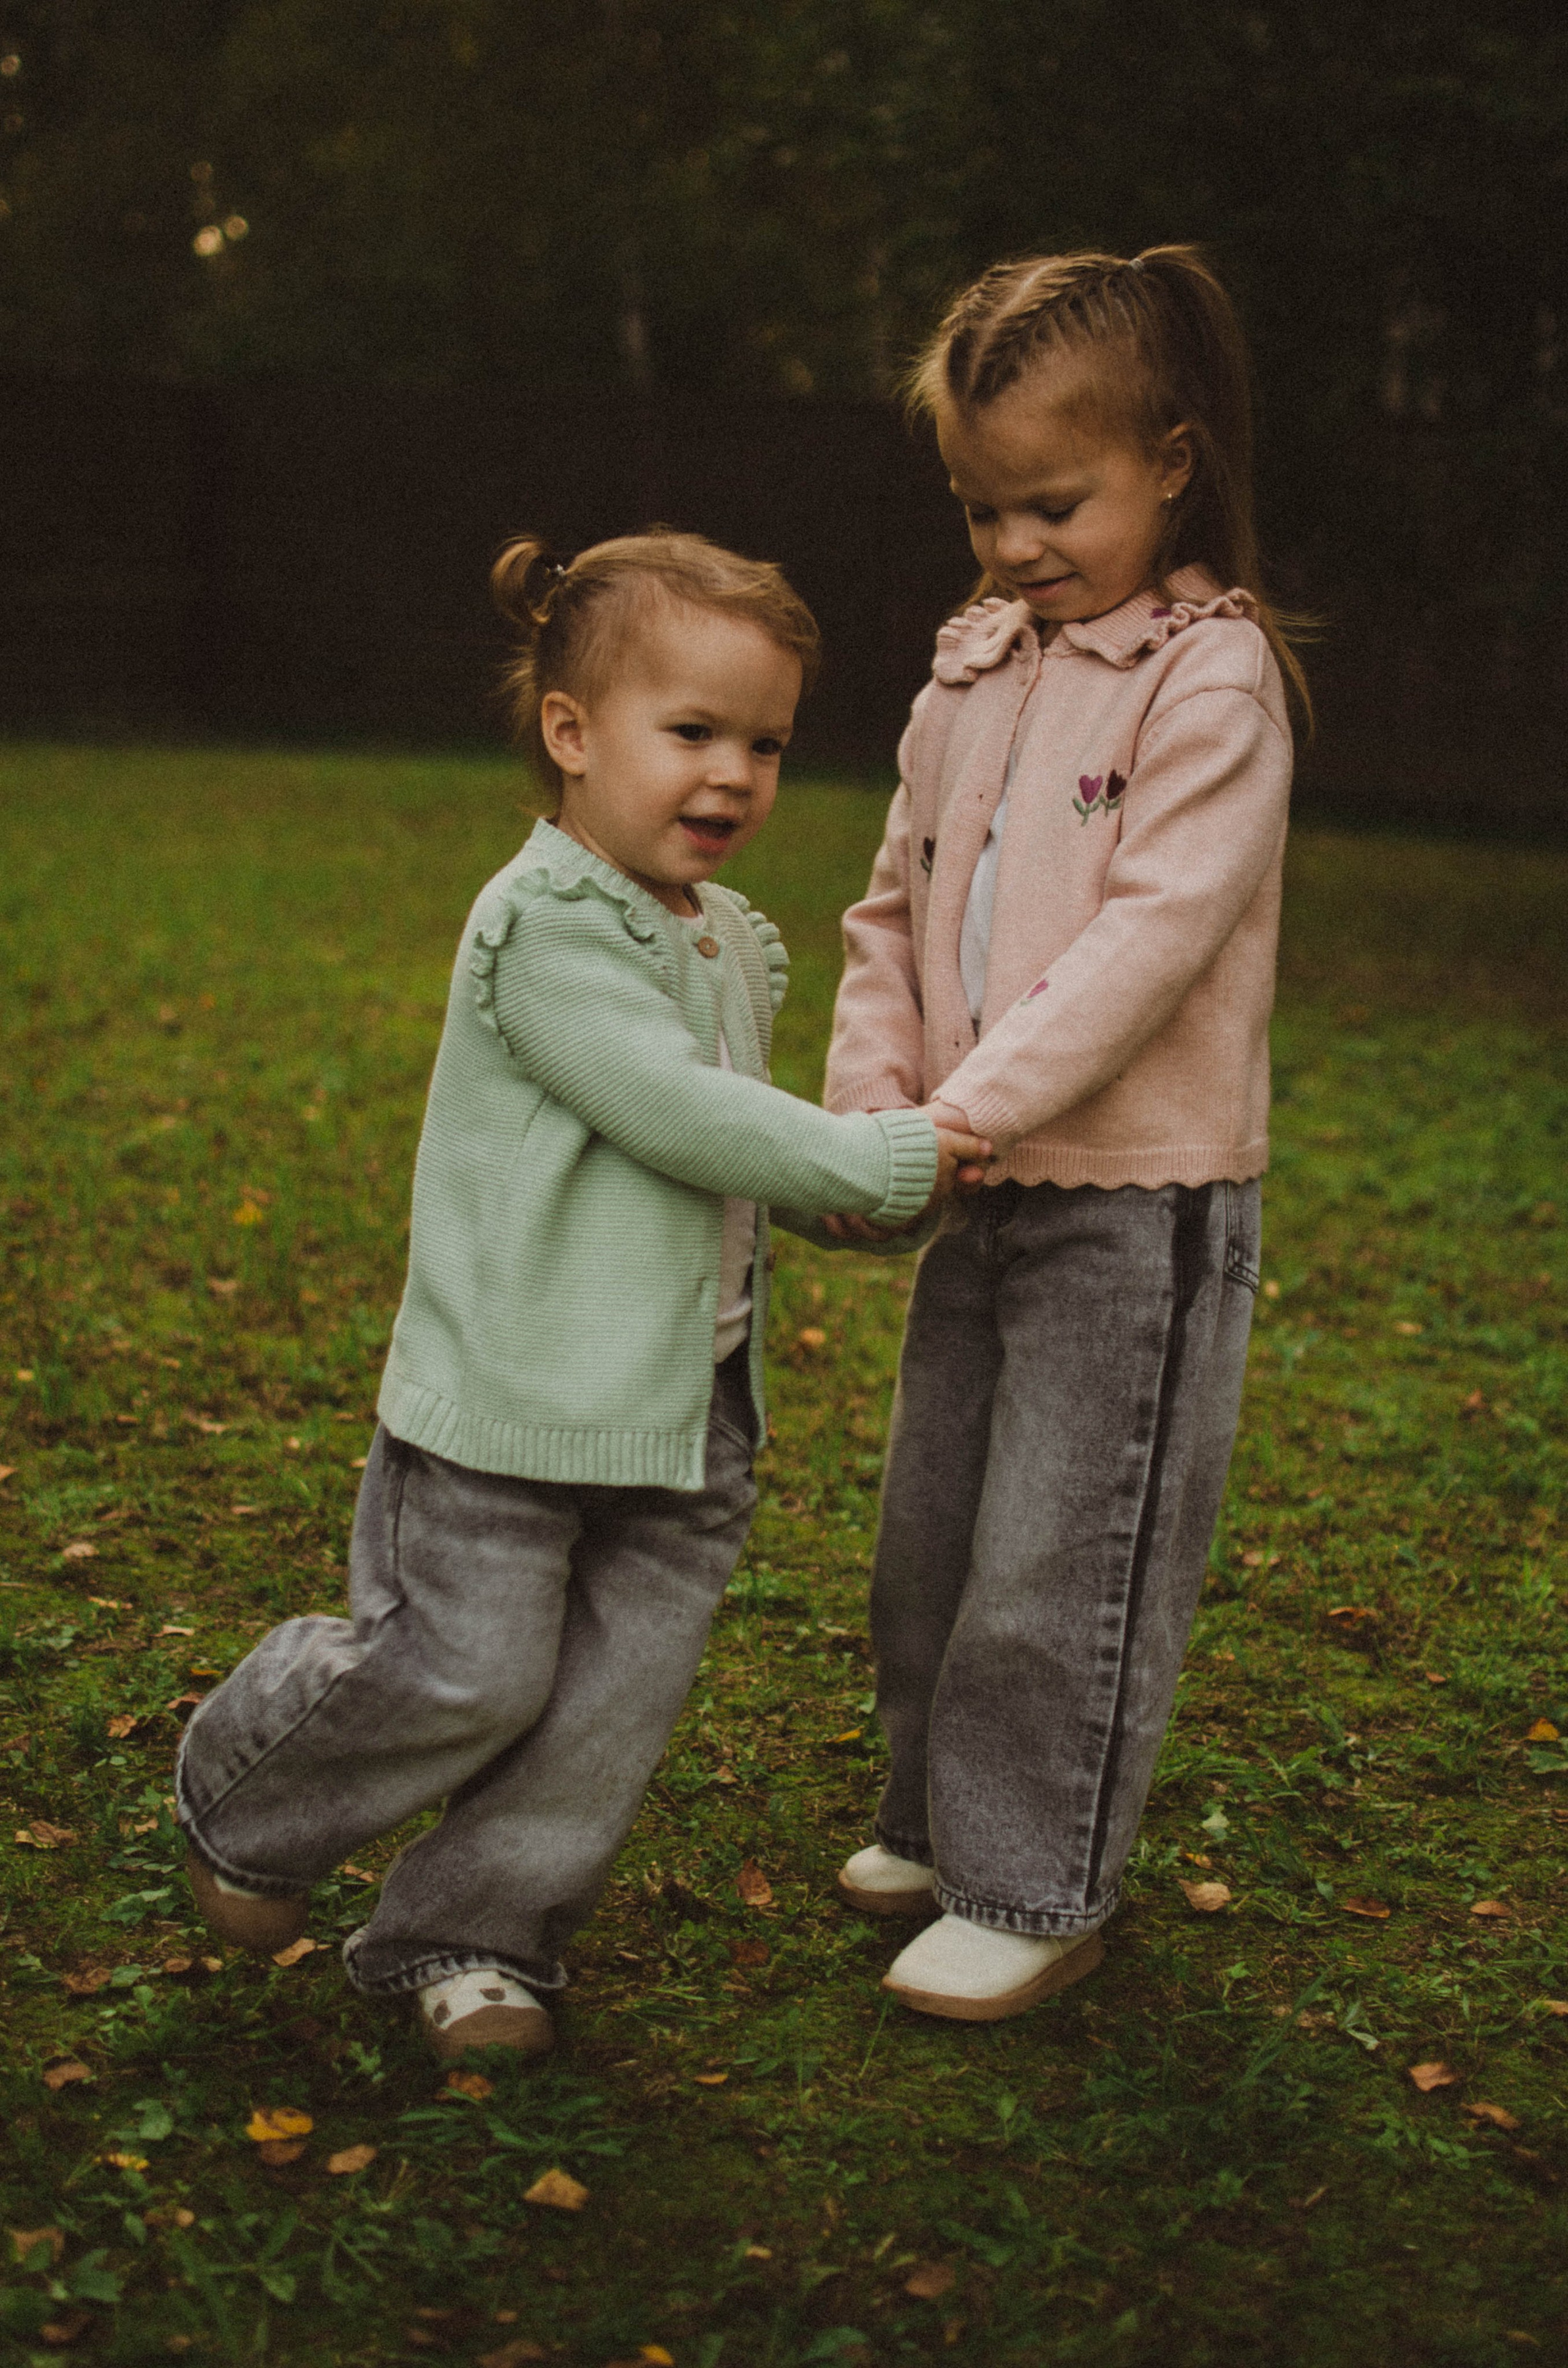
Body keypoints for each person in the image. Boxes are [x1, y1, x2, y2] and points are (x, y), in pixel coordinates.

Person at [176, 528, 989, 2060]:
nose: (735, 776)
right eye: (691, 732)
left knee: (598, 1715)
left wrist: (864, 1200)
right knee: (464, 1670)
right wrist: (882, 1155)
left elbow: (732, 1157)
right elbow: (672, 1108)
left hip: (686, 1424)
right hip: (512, 1405)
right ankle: (251, 1791)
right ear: (569, 732)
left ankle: (469, 1935)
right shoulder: (542, 925)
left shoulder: (722, 939)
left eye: (764, 743)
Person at [822, 246, 1306, 2023]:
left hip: (1137, 1202)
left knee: (1063, 1549)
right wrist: (875, 1100)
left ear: (1171, 460)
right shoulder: (972, 672)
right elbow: (894, 907)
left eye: (1052, 503)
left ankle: (1039, 1884)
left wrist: (968, 1108)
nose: (1014, 546)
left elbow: (1147, 948)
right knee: (933, 1535)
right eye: (980, 508)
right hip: (977, 1178)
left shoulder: (1213, 679)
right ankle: (943, 1823)